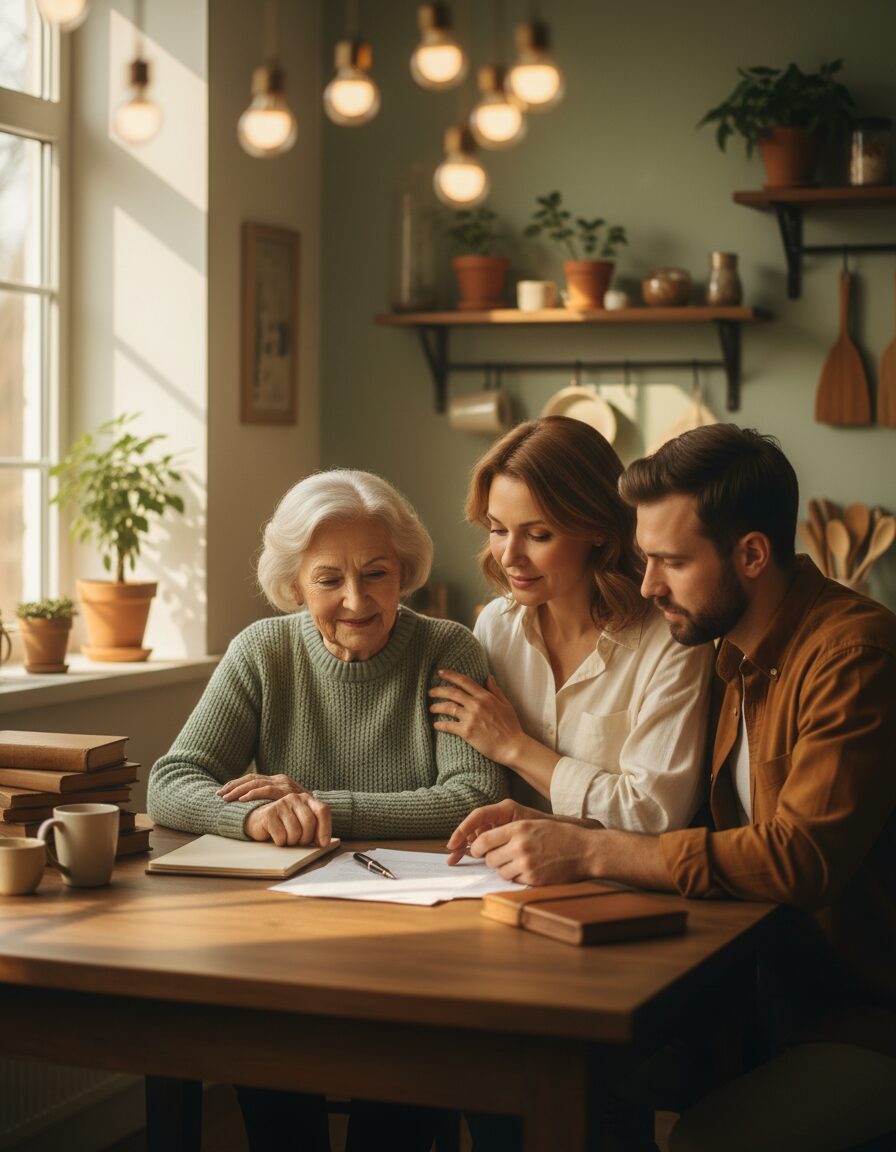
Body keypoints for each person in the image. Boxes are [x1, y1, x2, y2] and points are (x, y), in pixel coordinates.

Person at [448, 424, 896, 1152]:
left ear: (751, 554)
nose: (648, 584)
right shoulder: (733, 651)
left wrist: (593, 855)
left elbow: (798, 859)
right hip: (751, 994)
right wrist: (571, 833)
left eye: (670, 562)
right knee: (512, 1064)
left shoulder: (852, 654)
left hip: (855, 1016)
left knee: (699, 1140)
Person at [148, 468, 507, 1152]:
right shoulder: (264, 650)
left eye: (376, 574)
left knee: (396, 1111)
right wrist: (252, 818)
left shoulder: (447, 648)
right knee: (268, 1066)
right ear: (293, 584)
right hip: (283, 933)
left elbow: (472, 797)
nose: (355, 600)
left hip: (419, 940)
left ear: (404, 572)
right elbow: (171, 780)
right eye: (328, 579)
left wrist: (320, 806)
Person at [430, 415, 713, 834]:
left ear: (597, 528)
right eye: (497, 529)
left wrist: (515, 747)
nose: (509, 556)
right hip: (501, 875)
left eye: (538, 535)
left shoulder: (670, 639)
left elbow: (655, 814)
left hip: (622, 888)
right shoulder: (494, 628)